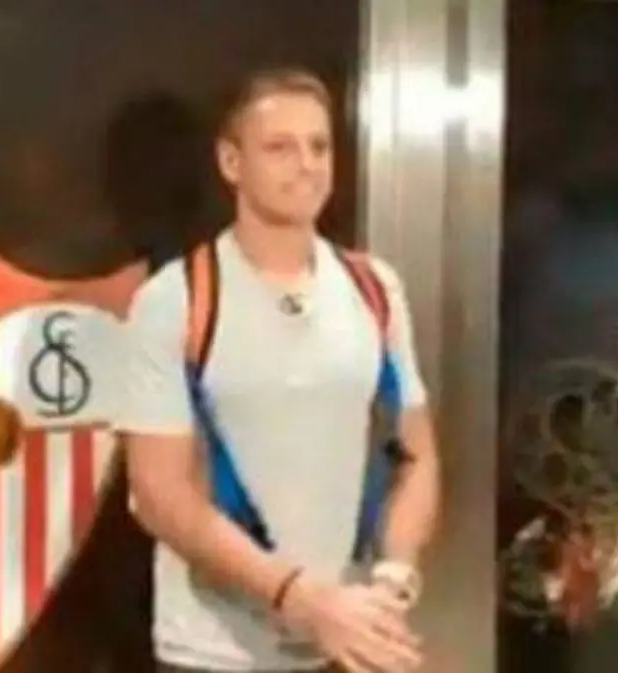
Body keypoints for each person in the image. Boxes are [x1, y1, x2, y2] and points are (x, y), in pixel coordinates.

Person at [119, 66, 440, 673]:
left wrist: (394, 579)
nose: (307, 165)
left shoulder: (375, 289)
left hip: (353, 641)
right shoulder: (178, 299)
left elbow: (415, 454)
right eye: (280, 148)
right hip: (214, 656)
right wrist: (298, 598)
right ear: (231, 162)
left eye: (319, 146)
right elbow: (160, 493)